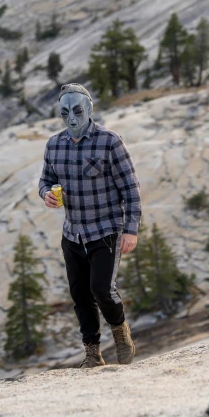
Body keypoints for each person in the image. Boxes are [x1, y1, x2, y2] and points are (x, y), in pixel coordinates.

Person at [39, 82, 142, 368]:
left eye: (77, 111)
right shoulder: (54, 144)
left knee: (101, 289)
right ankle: (92, 352)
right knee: (80, 295)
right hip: (73, 233)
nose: (71, 118)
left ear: (89, 109)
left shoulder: (110, 142)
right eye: (64, 113)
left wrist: (131, 229)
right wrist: (45, 193)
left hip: (106, 230)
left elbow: (131, 189)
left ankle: (120, 332)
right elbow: (45, 179)